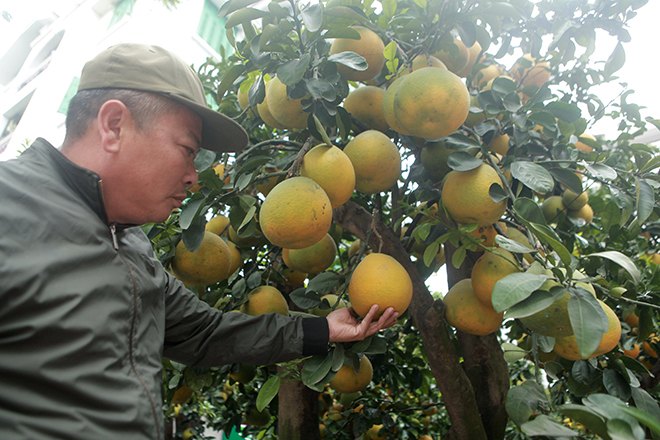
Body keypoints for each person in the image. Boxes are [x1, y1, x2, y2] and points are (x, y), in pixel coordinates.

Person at [0, 43, 398, 440]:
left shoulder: (130, 243)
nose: (193, 175)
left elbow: (206, 333)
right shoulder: (10, 206)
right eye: (188, 150)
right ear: (114, 125)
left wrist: (321, 331)